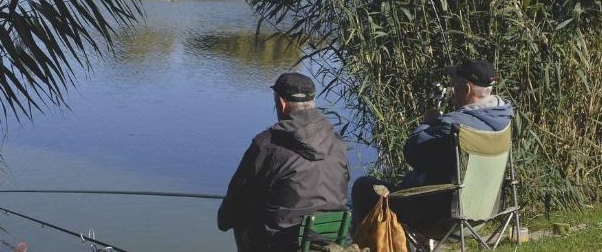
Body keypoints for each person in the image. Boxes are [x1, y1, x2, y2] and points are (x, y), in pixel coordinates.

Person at [352, 58, 514, 228]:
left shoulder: (455, 127)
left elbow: (411, 153)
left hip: (443, 216)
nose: (452, 90)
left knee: (363, 187)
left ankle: (362, 242)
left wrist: (428, 122)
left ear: (466, 89)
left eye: (455, 84)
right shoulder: (504, 119)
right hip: (483, 215)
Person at [218, 72, 350, 252]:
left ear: (281, 103)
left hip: (280, 244)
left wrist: (224, 220)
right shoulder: (338, 143)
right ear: (313, 101)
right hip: (329, 238)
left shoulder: (267, 144)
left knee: (240, 219)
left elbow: (239, 193)